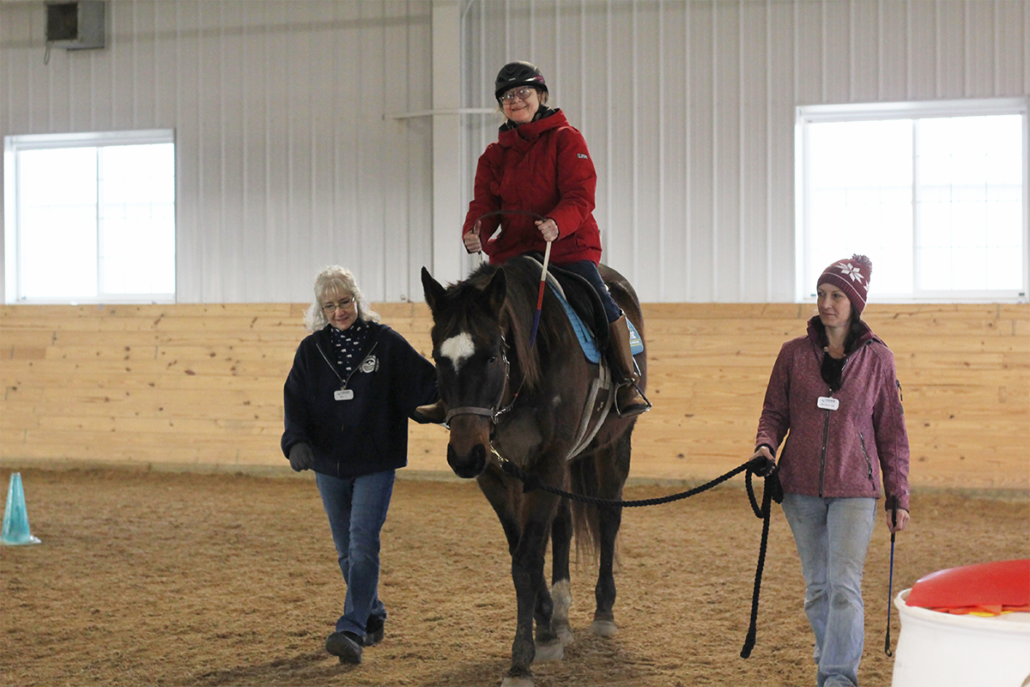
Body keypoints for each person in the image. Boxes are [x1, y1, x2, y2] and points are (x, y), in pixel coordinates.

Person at [750, 254, 910, 687]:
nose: (827, 303)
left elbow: (892, 433)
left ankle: (838, 676)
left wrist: (898, 495)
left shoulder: (879, 360)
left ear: (854, 303)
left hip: (855, 490)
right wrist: (765, 445)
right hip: (799, 489)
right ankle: (832, 653)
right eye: (821, 294)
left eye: (837, 295)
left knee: (843, 586)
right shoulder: (792, 355)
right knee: (817, 589)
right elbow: (774, 412)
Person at [458, 60, 647, 416]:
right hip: (513, 254)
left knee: (598, 298)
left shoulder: (567, 139)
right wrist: (475, 231)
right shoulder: (493, 155)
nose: (515, 100)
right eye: (507, 96)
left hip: (564, 247)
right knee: (473, 310)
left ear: (540, 96)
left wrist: (557, 224)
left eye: (522, 92)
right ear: (501, 106)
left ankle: (625, 379)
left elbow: (580, 195)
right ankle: (466, 397)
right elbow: (485, 204)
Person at [281, 265, 438, 665]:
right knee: (345, 551)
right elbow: (295, 400)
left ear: (357, 300)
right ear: (321, 308)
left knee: (363, 542)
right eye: (330, 305)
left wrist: (447, 404)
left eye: (345, 301)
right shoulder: (310, 350)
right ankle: (374, 613)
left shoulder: (384, 342)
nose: (339, 311)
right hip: (328, 464)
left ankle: (350, 627)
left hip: (375, 460)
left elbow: (424, 381)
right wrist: (295, 441)